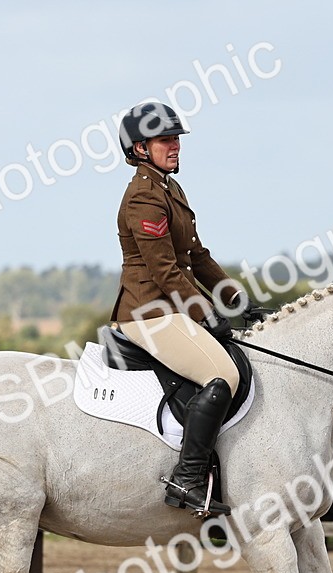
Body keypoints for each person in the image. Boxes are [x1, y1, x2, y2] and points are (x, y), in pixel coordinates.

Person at [111, 102, 267, 516]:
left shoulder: (169, 188)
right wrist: (206, 314)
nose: (175, 145)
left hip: (172, 308)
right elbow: (164, 270)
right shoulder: (143, 197)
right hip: (149, 312)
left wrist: (239, 300)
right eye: (166, 139)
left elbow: (196, 257)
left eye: (176, 138)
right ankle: (188, 478)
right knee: (222, 376)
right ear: (140, 148)